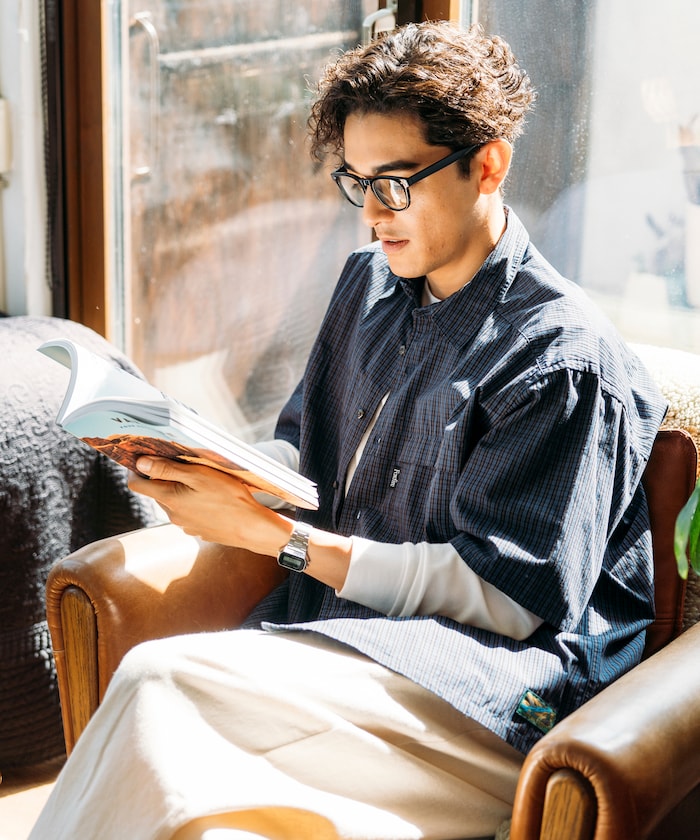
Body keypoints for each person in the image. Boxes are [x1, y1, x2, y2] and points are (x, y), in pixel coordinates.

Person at [30, 20, 667, 840]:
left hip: (494, 694)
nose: (372, 214)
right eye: (355, 182)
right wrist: (204, 462)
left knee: (158, 682)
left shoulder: (562, 359)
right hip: (349, 649)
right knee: (199, 815)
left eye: (395, 184)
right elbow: (305, 445)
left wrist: (278, 542)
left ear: (488, 164)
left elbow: (504, 599)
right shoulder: (369, 281)